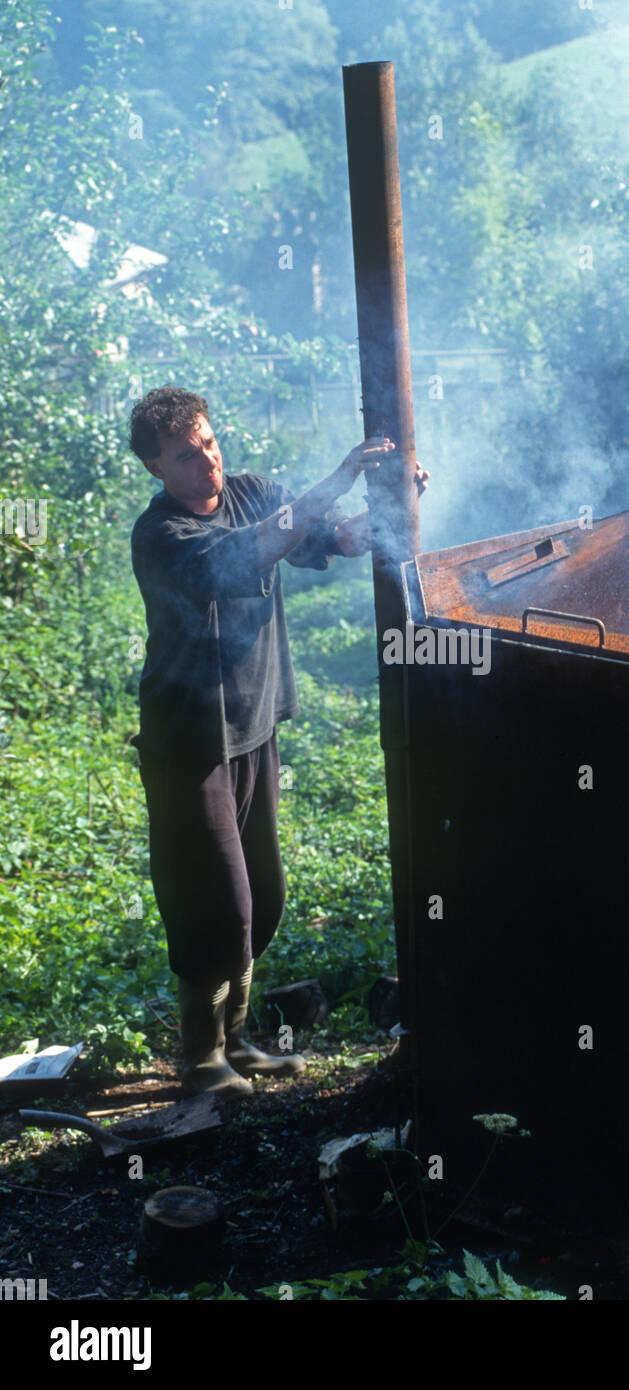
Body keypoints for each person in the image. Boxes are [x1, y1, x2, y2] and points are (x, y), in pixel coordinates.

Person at [128, 385, 428, 1097]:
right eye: (184, 455)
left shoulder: (254, 491)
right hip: (188, 744)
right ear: (155, 469)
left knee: (264, 896)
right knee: (215, 904)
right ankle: (200, 1057)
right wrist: (337, 479)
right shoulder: (161, 534)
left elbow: (326, 538)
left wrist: (387, 501)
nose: (206, 462)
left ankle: (235, 1040)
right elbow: (244, 554)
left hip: (252, 726)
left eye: (207, 441)